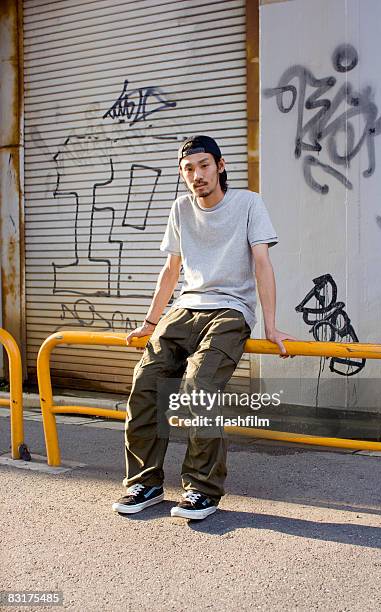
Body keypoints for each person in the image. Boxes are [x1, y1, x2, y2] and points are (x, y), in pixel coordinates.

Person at [112, 135, 295, 520]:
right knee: (145, 381)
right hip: (186, 308)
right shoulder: (181, 209)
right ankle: (144, 482)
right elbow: (171, 269)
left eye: (204, 166)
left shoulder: (248, 204)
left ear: (220, 166)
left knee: (199, 385)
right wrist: (150, 322)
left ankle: (201, 488)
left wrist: (272, 325)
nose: (197, 175)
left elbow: (262, 263)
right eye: (189, 169)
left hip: (230, 311)